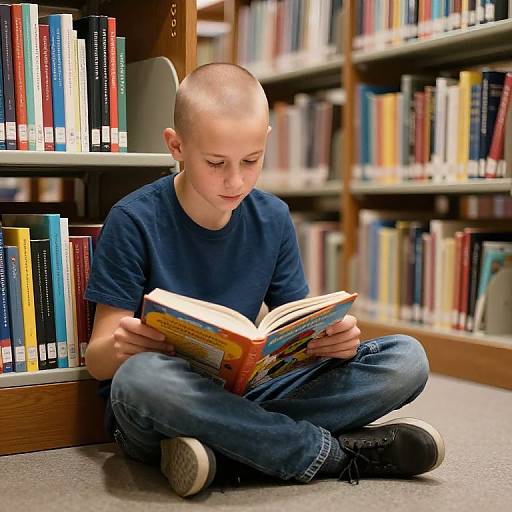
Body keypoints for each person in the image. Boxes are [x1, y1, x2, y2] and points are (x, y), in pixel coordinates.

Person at [84, 63, 445, 499]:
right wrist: (122, 348)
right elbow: (98, 361)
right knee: (141, 379)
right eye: (216, 163)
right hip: (162, 400)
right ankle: (331, 454)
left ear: (267, 142)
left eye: (251, 161)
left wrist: (333, 339)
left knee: (406, 358)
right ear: (176, 146)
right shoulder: (133, 219)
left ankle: (222, 451)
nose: (235, 180)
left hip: (245, 393)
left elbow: (295, 332)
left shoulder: (272, 217)